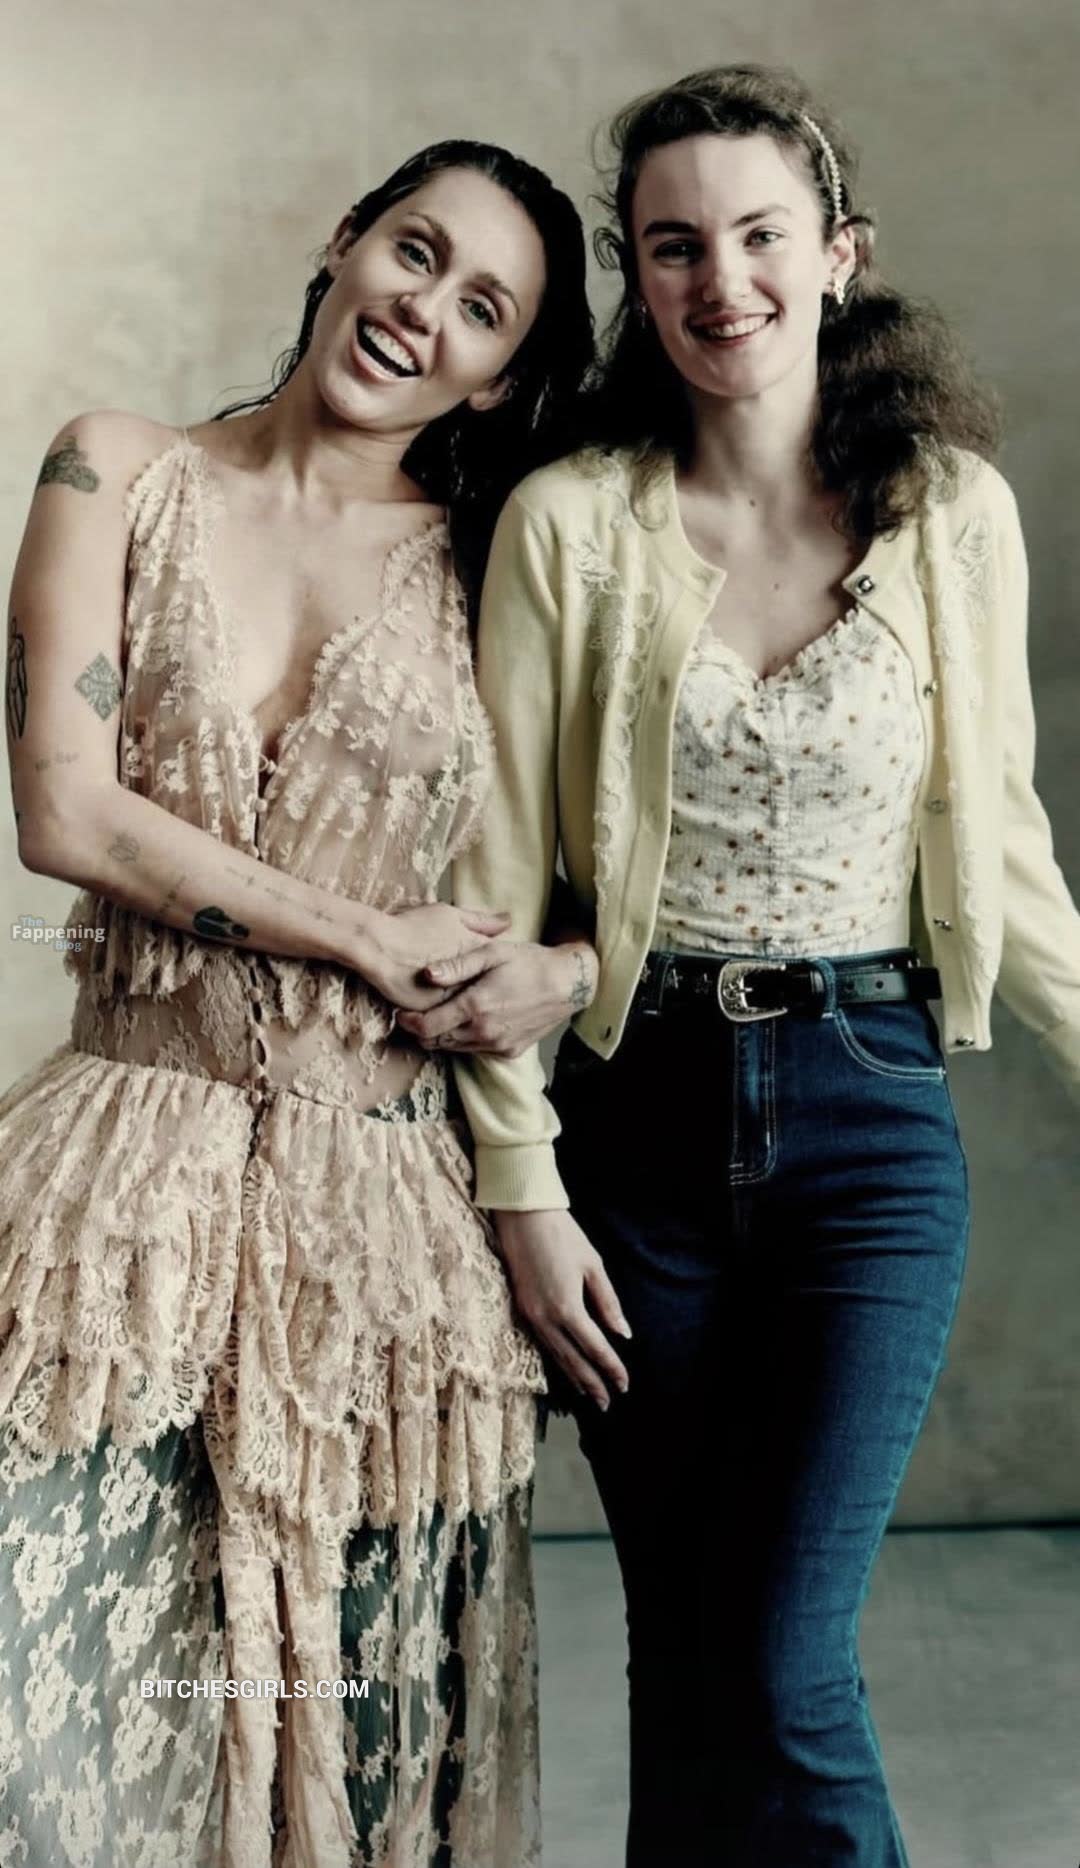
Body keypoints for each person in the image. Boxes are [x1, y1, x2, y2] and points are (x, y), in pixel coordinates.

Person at [408, 65, 1080, 1868]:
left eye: (763, 236)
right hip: (631, 1129)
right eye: (674, 247)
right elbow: (494, 884)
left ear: (840, 252)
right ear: (636, 276)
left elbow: (1005, 848)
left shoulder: (949, 513)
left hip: (870, 1122)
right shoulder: (571, 523)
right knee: (692, 1659)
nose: (724, 283)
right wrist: (523, 1190)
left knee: (782, 1661)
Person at [1, 139, 595, 1868]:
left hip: (380, 1227)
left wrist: (563, 970)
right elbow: (64, 811)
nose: (424, 310)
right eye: (415, 251)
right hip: (118, 1178)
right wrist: (362, 937)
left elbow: (615, 860)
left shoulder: (501, 561)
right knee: (55, 1725)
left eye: (482, 309)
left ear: (500, 375)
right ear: (345, 241)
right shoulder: (115, 467)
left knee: (347, 1748)